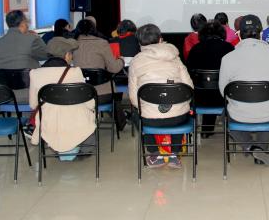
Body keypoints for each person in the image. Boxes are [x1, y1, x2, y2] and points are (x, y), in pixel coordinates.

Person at [219, 14, 269, 165]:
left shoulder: (227, 58)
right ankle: (260, 149)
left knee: (224, 115)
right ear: (261, 33)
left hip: (239, 113)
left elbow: (224, 92)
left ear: (239, 35)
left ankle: (250, 146)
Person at [128, 24, 194, 169]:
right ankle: (174, 154)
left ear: (139, 42)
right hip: (178, 119)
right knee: (181, 109)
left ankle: (155, 153)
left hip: (150, 121)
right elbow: (189, 88)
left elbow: (134, 99)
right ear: (160, 39)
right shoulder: (175, 58)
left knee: (135, 114)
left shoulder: (136, 62)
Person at [29, 37, 95, 159]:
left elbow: (33, 104)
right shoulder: (75, 72)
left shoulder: (35, 73)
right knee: (87, 115)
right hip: (76, 123)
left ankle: (56, 148)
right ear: (67, 55)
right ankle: (78, 150)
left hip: (49, 125)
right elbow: (88, 102)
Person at [186, 20, 235, 136]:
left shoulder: (195, 49)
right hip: (224, 97)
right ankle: (233, 131)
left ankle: (206, 130)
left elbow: (189, 73)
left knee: (208, 86)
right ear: (222, 33)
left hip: (199, 97)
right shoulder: (229, 48)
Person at [73, 19, 124, 100]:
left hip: (80, 93)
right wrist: (121, 60)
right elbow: (114, 68)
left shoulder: (72, 45)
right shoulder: (102, 43)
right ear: (94, 29)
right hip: (102, 94)